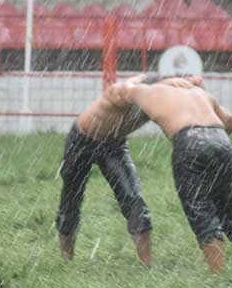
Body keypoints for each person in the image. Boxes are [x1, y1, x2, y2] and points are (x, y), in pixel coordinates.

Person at [105, 75, 232, 280]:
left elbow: (115, 92)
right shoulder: (198, 93)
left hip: (189, 140)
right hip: (221, 141)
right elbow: (229, 123)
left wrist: (147, 82)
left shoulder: (149, 91)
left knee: (200, 210)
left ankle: (218, 276)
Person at [56, 74, 165, 267]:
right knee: (71, 200)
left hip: (114, 145)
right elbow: (115, 91)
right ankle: (66, 263)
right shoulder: (126, 91)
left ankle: (147, 266)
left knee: (134, 199)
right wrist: (137, 88)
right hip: (81, 139)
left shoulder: (162, 100)